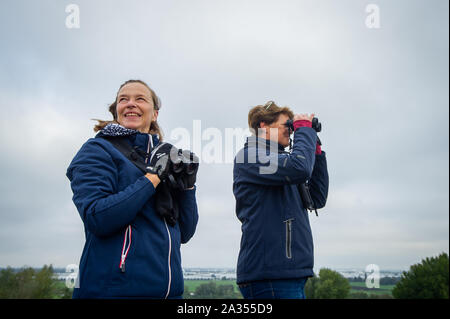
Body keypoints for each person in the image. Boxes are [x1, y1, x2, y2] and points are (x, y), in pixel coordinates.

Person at [66, 79, 199, 299]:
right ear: (116, 110)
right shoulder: (98, 150)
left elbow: (184, 232)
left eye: (140, 99)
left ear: (154, 114)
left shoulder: (166, 157)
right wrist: (153, 178)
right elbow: (97, 217)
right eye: (123, 99)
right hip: (113, 292)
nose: (130, 104)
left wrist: (188, 186)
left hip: (170, 293)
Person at [233, 101, 329, 299]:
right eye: (288, 125)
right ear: (264, 126)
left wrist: (316, 150)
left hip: (289, 273)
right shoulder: (250, 157)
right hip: (270, 275)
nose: (292, 131)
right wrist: (305, 131)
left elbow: (317, 198)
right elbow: (299, 168)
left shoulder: (283, 164)